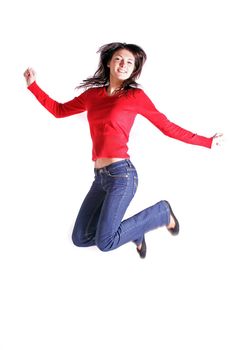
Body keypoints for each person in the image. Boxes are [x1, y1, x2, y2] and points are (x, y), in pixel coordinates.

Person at [24, 42, 223, 259]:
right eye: (119, 58)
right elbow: (59, 110)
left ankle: (161, 212)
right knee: (80, 238)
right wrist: (33, 86)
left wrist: (207, 142)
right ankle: (133, 233)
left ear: (134, 69)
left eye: (130, 62)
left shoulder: (134, 97)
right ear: (109, 62)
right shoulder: (92, 96)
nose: (123, 64)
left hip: (122, 175)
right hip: (99, 178)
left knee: (106, 243)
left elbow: (167, 127)